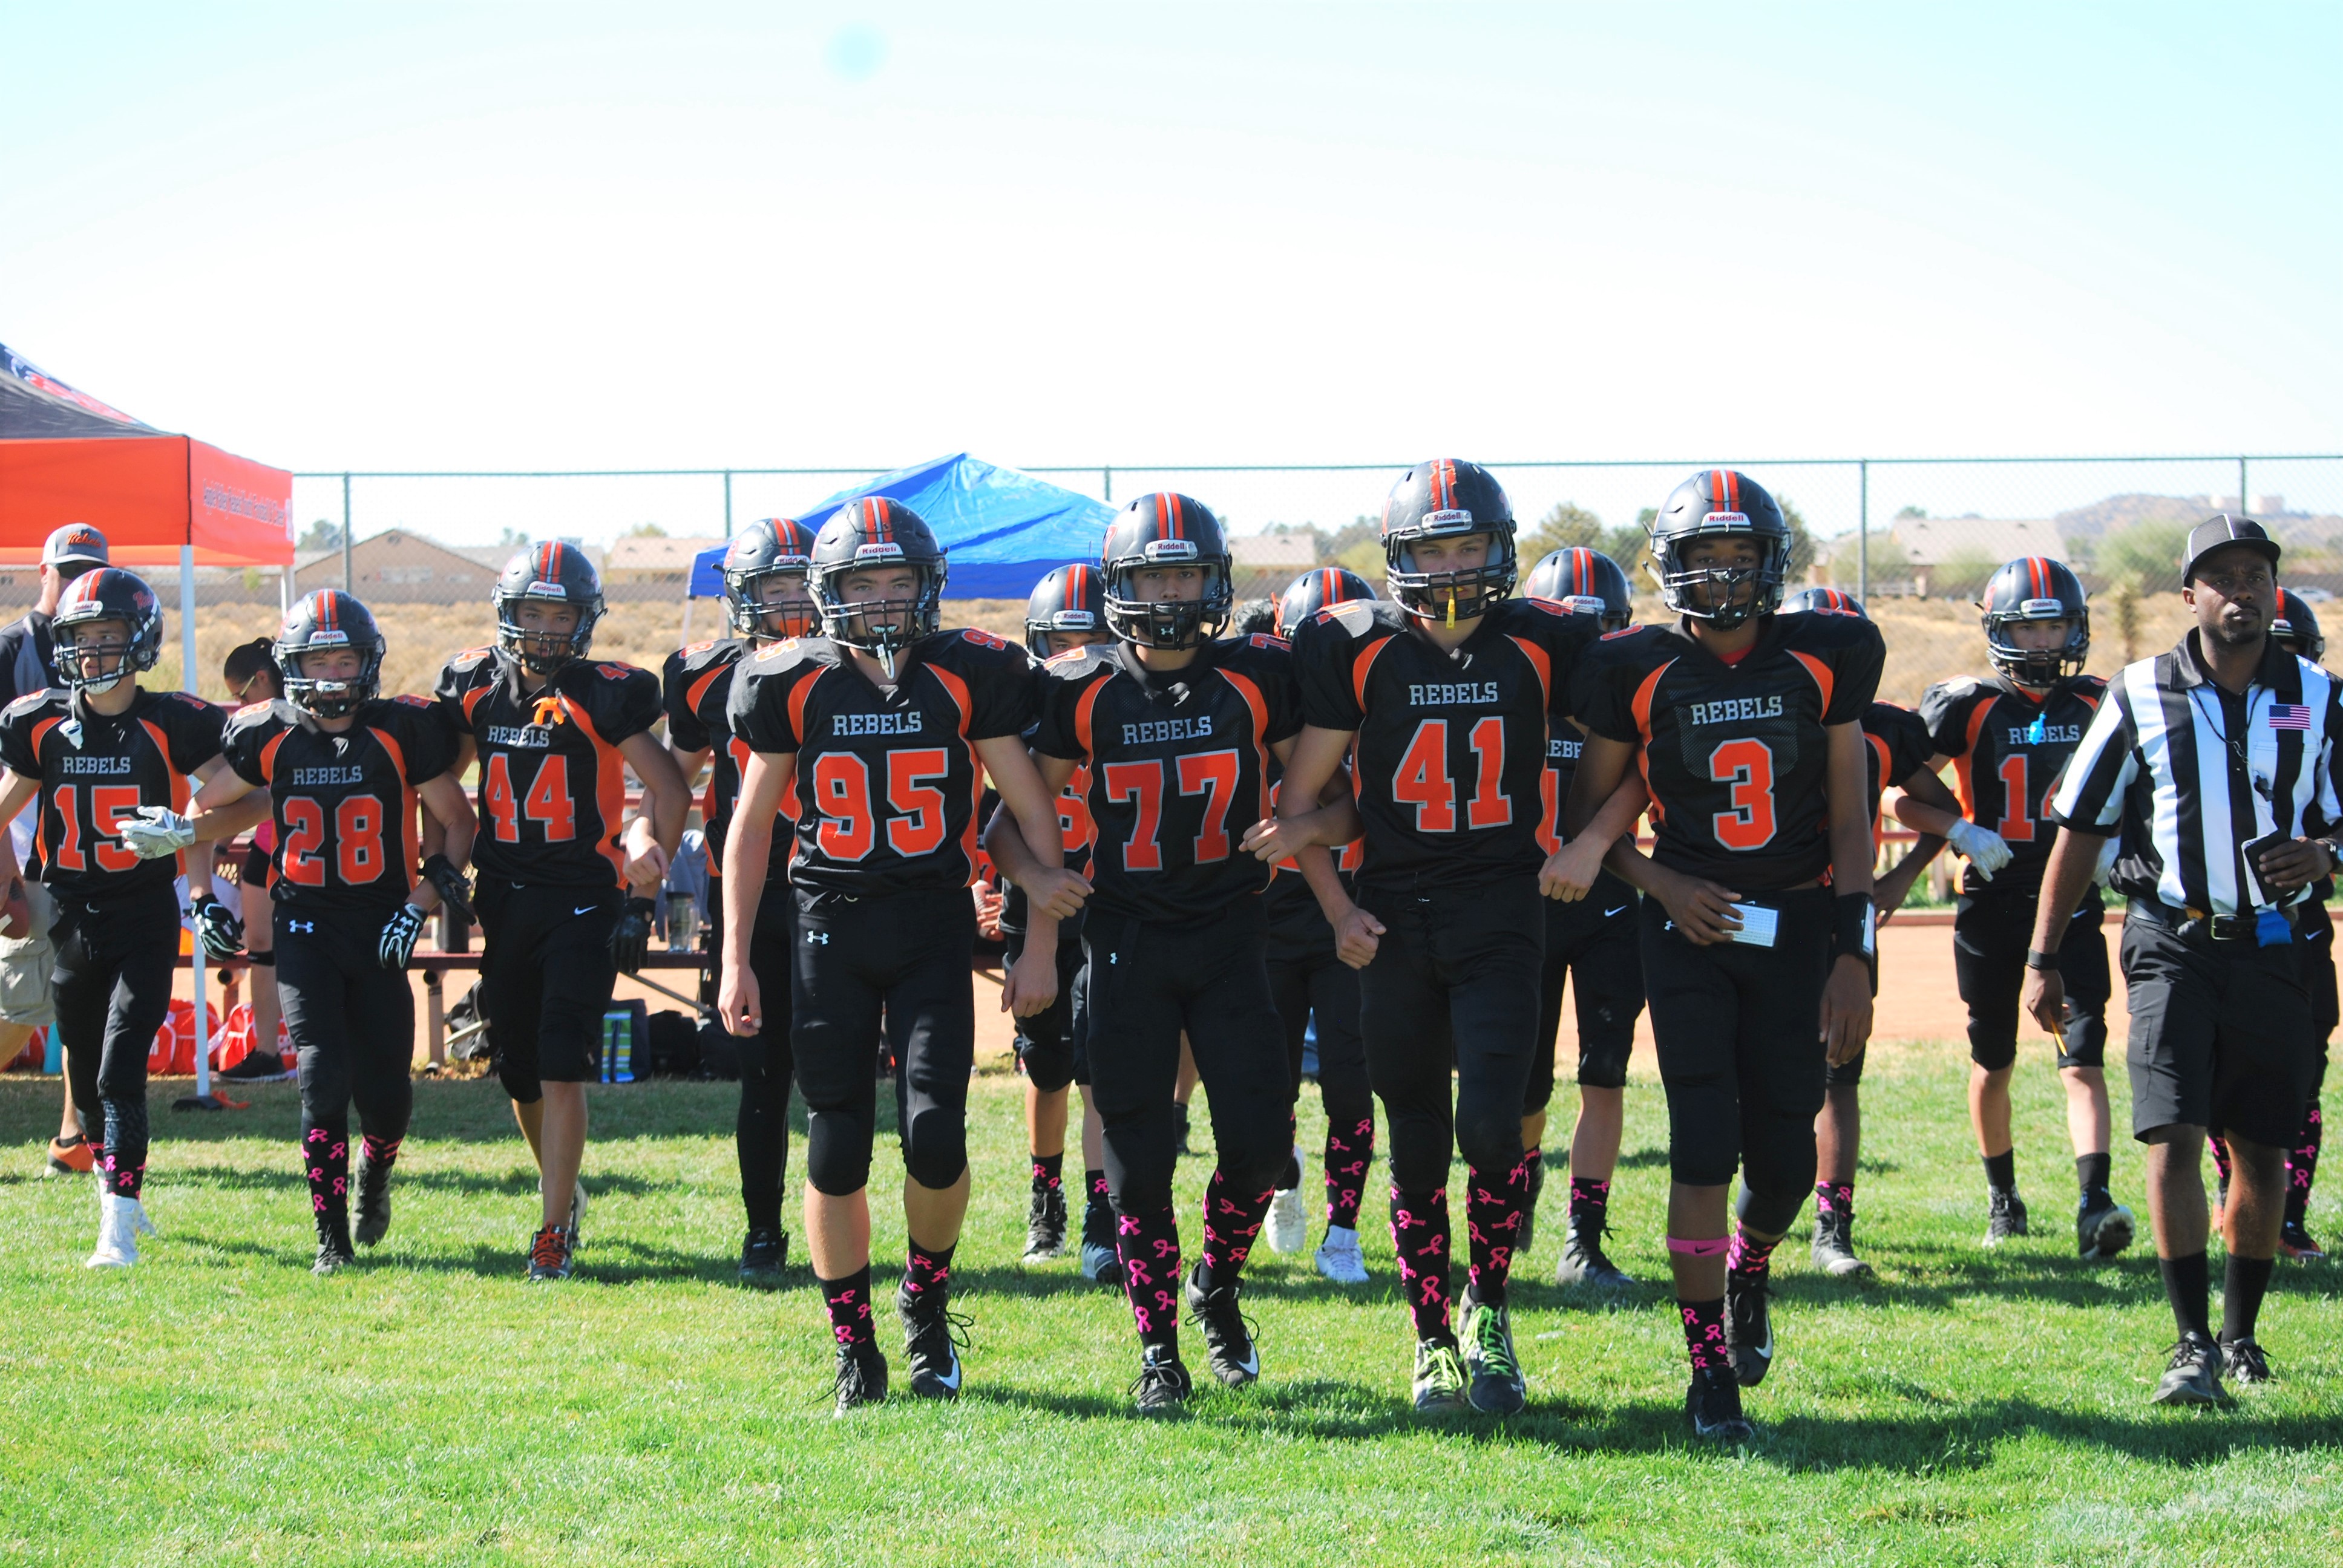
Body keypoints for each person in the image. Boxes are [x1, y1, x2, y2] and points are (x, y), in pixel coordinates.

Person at [1260, 459, 1627, 1417]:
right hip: (1393, 912)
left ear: (1503, 549)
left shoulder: (1549, 641)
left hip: (1504, 908)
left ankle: (1489, 1312)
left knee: (1495, 1126)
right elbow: (1307, 804)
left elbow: (1644, 749)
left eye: (1470, 545)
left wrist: (1589, 842)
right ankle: (1429, 1338)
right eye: (1435, 548)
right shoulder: (1358, 647)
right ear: (1400, 557)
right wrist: (1337, 908)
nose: (1456, 565)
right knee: (1416, 1137)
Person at [721, 497, 1068, 1413]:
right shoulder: (790, 679)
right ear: (828, 593)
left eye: (898, 581)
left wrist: (1039, 943)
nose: (882, 601)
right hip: (827, 926)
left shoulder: (967, 674)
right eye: (862, 584)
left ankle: (924, 1295)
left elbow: (1031, 810)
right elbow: (750, 830)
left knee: (935, 1134)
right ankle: (854, 1345)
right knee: (836, 1144)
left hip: (927, 923)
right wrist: (733, 959)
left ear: (928, 585)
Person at [1566, 469, 1882, 1442]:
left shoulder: (1827, 656)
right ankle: (1709, 1374)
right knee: (1703, 1139)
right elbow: (1592, 825)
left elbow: (1849, 817)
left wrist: (1854, 951)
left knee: (1785, 1157)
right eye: (1702, 558)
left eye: (1739, 558)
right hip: (1688, 926)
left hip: (1792, 924)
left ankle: (1750, 1273)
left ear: (1770, 565)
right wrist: (1665, 887)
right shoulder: (1637, 666)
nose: (1722, 577)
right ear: (1670, 568)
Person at [988, 495, 1311, 1413]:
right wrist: (1037, 896)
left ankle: (1215, 1281)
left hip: (1229, 936)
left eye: (1187, 573)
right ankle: (1160, 1348)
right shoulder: (1079, 689)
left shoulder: (1254, 678)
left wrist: (1307, 826)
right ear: (1120, 586)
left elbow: (1340, 792)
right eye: (1154, 574)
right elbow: (1010, 817)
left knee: (1262, 1149)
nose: (1172, 593)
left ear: (1214, 581)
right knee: (1137, 1160)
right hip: (1123, 941)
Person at [2027, 517, 2330, 1402]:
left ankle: (2242, 1336)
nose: (2241, 591)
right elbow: (2079, 828)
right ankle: (2190, 1341)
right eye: (2221, 577)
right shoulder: (2138, 693)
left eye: (2256, 576)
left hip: (2275, 946)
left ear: (2275, 590)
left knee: (2264, 1149)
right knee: (2171, 1134)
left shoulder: (2319, 693)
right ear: (2188, 594)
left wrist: (2325, 855)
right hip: (2168, 940)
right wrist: (2043, 957)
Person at [129, 592, 476, 1272]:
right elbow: (194, 818)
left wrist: (420, 902)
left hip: (380, 922)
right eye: (316, 661)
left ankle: (377, 1172)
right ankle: (331, 1240)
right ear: (290, 667)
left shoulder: (399, 729)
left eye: (344, 659)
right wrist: (200, 897)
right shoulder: (267, 732)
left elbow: (458, 821)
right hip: (305, 925)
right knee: (320, 1075)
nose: (330, 676)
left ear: (367, 663)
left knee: (386, 1094)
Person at [434, 543, 686, 1281]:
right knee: (514, 1066)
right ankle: (564, 1190)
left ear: (585, 621)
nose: (546, 630)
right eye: (533, 613)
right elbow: (438, 781)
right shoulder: (476, 685)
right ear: (508, 616)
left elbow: (667, 791)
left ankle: (551, 1229)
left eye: (561, 615)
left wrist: (642, 895)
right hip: (505, 894)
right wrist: (440, 859)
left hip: (584, 894)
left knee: (560, 1062)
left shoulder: (602, 691)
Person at [0, 567, 246, 1266]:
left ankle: (118, 1222)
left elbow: (251, 793)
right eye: (82, 637)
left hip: (142, 912)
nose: (94, 651)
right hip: (69, 914)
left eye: (109, 635)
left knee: (119, 1067)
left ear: (139, 639)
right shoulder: (40, 720)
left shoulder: (174, 720)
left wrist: (191, 830)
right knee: (83, 1064)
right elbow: (5, 806)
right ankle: (120, 1199)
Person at [1909, 558, 2134, 1259]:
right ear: (1996, 631)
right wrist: (1959, 830)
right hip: (1991, 902)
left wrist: (2114, 844)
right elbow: (1893, 789)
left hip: (2070, 902)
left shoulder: (2100, 702)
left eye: (2055, 625)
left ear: (2077, 627)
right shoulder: (1965, 705)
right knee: (1993, 1058)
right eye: (2026, 627)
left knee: (2083, 1054)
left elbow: (2151, 787)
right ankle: (2002, 1196)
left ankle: (2093, 1200)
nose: (2041, 643)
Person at [1781, 587, 1958, 1278]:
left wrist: (1902, 876)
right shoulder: (1769, 710)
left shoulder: (1884, 726)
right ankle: (1758, 1200)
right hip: (1772, 912)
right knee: (1759, 1067)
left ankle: (1832, 1225)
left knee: (1837, 1077)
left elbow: (1938, 807)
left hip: (1843, 911)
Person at [663, 518, 818, 1286]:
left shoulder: (850, 665)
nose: (789, 602)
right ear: (742, 598)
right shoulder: (704, 675)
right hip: (749, 892)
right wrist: (642, 832)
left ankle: (834, 1227)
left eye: (800, 585)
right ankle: (764, 1228)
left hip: (836, 886)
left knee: (833, 1070)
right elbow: (676, 770)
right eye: (773, 588)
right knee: (762, 1071)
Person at [1518, 546, 1647, 1287]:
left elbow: (1636, 793)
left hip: (1603, 910)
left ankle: (1583, 1242)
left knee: (1604, 1075)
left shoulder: (1628, 712)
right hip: (1525, 914)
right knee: (1525, 1090)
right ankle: (1526, 1176)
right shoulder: (1512, 699)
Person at [1258, 566, 1380, 1286]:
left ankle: (1342, 1229)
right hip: (1268, 919)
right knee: (1264, 1087)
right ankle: (1282, 1177)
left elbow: (1359, 813)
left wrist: (1298, 825)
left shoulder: (1381, 709)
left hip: (1354, 915)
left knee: (1349, 1084)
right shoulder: (1254, 707)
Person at [1000, 564, 1112, 1274]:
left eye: (1092, 638)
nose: (1076, 655)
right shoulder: (1013, 715)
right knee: (1045, 1069)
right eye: (1062, 641)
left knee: (1102, 1066)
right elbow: (995, 820)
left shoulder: (1130, 701)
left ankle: (1103, 1211)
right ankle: (1047, 1196)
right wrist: (998, 883)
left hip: (1108, 900)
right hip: (1032, 901)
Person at [0, 524, 111, 1173]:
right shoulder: (13, 647)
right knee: (16, 1008)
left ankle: (74, 1137)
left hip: (89, 860)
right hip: (27, 857)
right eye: (65, 570)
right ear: (42, 571)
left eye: (87, 570)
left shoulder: (107, 643)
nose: (74, 582)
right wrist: (7, 877)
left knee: (83, 1002)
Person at [2258, 587, 2332, 1261]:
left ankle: (2285, 1217)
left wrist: (2324, 853)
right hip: (2204, 926)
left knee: (2302, 1067)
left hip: (2301, 924)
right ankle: (2240, 1203)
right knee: (2221, 1073)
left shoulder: (2326, 704)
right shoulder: (2179, 700)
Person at [217, 636, 293, 1083]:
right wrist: (219, 844)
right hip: (265, 847)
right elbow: (240, 791)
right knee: (260, 947)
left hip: (307, 849)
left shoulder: (300, 714)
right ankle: (267, 1053)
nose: (239, 705)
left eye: (242, 694)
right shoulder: (256, 724)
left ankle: (324, 1051)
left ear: (262, 679)